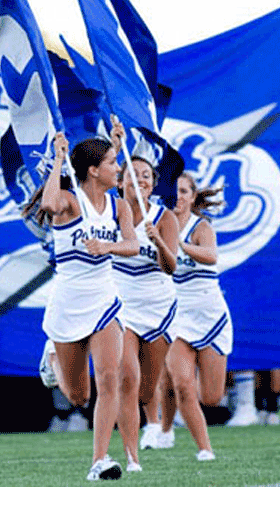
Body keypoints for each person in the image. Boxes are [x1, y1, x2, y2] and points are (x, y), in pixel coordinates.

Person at [39, 132, 139, 481]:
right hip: (69, 302)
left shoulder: (120, 206)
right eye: (112, 163)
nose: (119, 169)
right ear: (93, 170)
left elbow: (133, 245)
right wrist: (57, 159)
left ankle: (99, 460)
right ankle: (52, 358)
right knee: (79, 396)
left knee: (110, 378)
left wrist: (107, 248)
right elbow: (48, 205)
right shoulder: (70, 200)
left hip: (105, 300)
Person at [153, 173, 233, 461]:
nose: (179, 196)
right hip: (178, 313)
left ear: (193, 196)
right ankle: (203, 448)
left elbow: (211, 256)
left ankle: (168, 425)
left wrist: (179, 245)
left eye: (185, 191)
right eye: (174, 191)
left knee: (211, 397)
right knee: (181, 381)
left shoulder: (202, 227)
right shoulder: (158, 225)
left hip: (210, 313)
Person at [112, 155, 179, 463]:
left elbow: (170, 267)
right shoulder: (108, 211)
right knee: (127, 378)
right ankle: (131, 456)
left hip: (157, 304)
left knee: (146, 386)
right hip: (120, 303)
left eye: (146, 175)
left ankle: (155, 423)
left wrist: (158, 241)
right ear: (119, 180)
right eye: (132, 174)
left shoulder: (165, 218)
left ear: (153, 183)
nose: (139, 180)